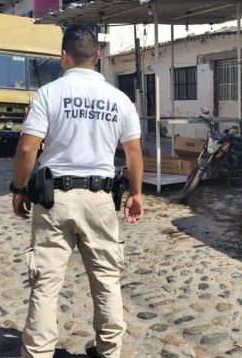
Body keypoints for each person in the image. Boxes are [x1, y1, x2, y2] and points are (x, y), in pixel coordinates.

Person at [10, 24, 144, 358]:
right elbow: (133, 154)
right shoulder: (120, 100)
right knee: (106, 279)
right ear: (98, 56)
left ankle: (38, 353)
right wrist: (136, 194)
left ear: (63, 56)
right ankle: (109, 350)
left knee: (45, 284)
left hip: (53, 199)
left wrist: (20, 188)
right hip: (99, 200)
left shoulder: (49, 94)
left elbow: (27, 150)